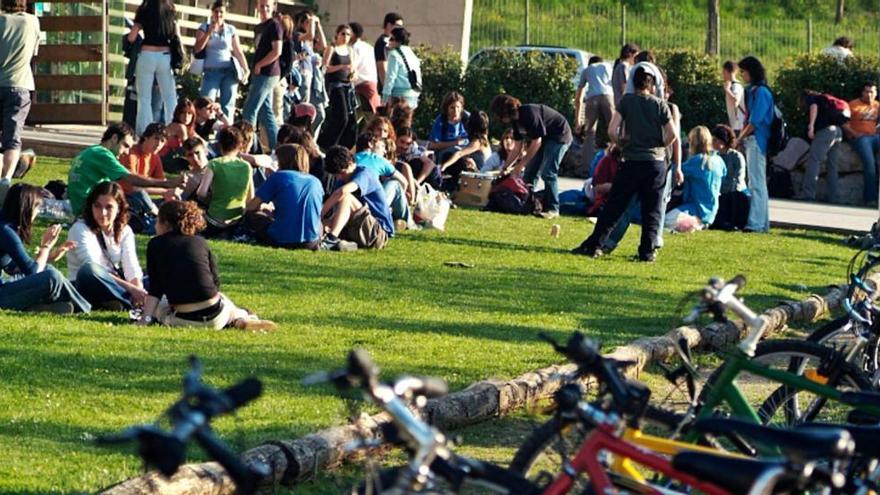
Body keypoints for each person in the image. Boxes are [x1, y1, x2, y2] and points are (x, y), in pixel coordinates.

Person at [571, 67, 679, 262]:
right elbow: (672, 134)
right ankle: (647, 252)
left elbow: (612, 129)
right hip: (656, 164)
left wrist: (623, 143)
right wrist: (659, 146)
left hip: (631, 161)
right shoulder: (660, 105)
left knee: (615, 206)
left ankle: (596, 245)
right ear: (652, 84)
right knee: (652, 210)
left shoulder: (627, 102)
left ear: (633, 83)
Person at [138, 199, 276, 331]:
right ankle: (241, 318)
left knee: (160, 306)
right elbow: (215, 283)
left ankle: (238, 319)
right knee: (224, 301)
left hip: (184, 319)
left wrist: (146, 318)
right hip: (217, 316)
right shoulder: (200, 242)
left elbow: (155, 289)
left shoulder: (155, 244)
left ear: (166, 223)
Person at [0, 184, 89, 313]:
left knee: (48, 270)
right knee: (51, 276)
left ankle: (41, 307)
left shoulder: (5, 227)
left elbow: (13, 268)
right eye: (37, 208)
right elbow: (33, 272)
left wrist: (50, 256)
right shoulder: (6, 231)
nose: (37, 213)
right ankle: (84, 309)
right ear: (28, 208)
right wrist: (45, 247)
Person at [67, 122, 184, 217]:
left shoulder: (92, 151)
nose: (126, 152)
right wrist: (168, 184)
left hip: (87, 208)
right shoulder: (102, 154)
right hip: (90, 212)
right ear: (114, 138)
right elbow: (131, 180)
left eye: (162, 141)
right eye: (125, 145)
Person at [490, 94, 573, 219]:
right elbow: (517, 147)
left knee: (548, 172)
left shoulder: (529, 113)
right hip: (545, 139)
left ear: (505, 112)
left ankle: (553, 209)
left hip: (559, 136)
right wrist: (505, 167)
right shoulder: (515, 123)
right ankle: (526, 203)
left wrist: (519, 167)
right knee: (530, 172)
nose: (499, 119)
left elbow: (536, 142)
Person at [66, 181, 146, 311]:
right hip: (87, 283)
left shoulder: (125, 230)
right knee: (90, 270)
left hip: (117, 283)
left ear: (119, 208)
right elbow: (95, 266)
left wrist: (138, 287)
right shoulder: (80, 228)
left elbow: (131, 264)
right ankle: (126, 301)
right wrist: (131, 289)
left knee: (152, 276)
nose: (102, 213)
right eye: (97, 206)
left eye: (109, 207)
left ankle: (121, 301)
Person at [244, 143, 330, 249]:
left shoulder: (278, 177)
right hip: (311, 241)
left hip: (281, 239)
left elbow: (251, 207)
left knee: (254, 216)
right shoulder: (316, 181)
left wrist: (262, 208)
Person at [322, 145, 393, 250]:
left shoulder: (365, 174)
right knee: (325, 223)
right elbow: (337, 211)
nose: (340, 177)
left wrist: (320, 214)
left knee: (346, 197)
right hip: (355, 227)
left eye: (342, 173)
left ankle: (332, 238)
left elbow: (341, 192)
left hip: (378, 232)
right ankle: (346, 244)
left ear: (351, 164)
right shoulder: (341, 181)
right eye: (336, 175)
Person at [0, 0, 40, 182]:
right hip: (20, 84)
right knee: (12, 140)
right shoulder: (32, 22)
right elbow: (34, 52)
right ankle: (6, 179)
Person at [127, 0, 179, 136]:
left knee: (144, 98)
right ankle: (173, 130)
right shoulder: (171, 8)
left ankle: (145, 132)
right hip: (165, 56)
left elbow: (132, 37)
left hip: (147, 54)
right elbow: (175, 34)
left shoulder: (144, 8)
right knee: (169, 96)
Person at [194, 0, 249, 121]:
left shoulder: (231, 29)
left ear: (225, 14)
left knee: (228, 105)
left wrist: (245, 68)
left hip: (228, 70)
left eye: (221, 12)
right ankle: (204, 132)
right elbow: (198, 48)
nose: (218, 15)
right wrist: (209, 33)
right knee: (206, 104)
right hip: (211, 71)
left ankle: (227, 135)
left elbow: (237, 51)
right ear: (212, 12)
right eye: (216, 12)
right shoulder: (204, 27)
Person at [664, 126, 726, 231]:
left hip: (695, 208)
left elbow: (676, 170)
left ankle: (691, 224)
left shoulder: (698, 161)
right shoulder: (719, 161)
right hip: (711, 211)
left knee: (665, 220)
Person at [737, 56, 773, 233]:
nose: (742, 75)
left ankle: (756, 224)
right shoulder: (756, 91)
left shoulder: (760, 92)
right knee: (758, 183)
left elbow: (755, 121)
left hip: (757, 140)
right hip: (756, 140)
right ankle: (762, 223)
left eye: (743, 72)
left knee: (756, 183)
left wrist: (739, 138)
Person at [241, 0, 282, 152]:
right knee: (265, 113)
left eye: (267, 6)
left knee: (249, 110)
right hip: (260, 73)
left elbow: (277, 51)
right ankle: (277, 149)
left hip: (268, 73)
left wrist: (260, 64)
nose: (264, 9)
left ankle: (248, 148)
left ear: (272, 8)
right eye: (262, 5)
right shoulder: (259, 27)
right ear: (257, 6)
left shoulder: (275, 25)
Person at [197, 126, 253, 235]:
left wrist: (212, 199)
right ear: (240, 145)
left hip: (215, 219)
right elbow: (250, 198)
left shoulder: (214, 164)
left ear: (219, 144)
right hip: (237, 219)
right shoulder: (247, 166)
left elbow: (201, 193)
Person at [797, 90, 848, 202]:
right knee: (832, 165)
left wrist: (811, 126)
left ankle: (808, 194)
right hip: (838, 131)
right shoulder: (825, 99)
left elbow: (813, 107)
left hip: (825, 131)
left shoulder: (812, 98)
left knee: (814, 161)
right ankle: (833, 196)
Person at [354, 132, 413, 226]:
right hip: (373, 205)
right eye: (382, 146)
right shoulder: (376, 158)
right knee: (394, 183)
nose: (384, 151)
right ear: (370, 144)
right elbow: (404, 182)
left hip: (354, 204)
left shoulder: (352, 158)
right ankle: (408, 222)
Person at [317, 24, 358, 150]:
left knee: (352, 119)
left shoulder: (350, 50)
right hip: (336, 86)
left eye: (348, 34)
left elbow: (353, 68)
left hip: (348, 86)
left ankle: (345, 146)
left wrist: (353, 73)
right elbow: (324, 68)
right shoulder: (332, 48)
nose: (345, 37)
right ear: (337, 34)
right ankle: (328, 144)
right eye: (343, 34)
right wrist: (340, 67)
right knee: (342, 117)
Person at [118, 122, 168, 224]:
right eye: (156, 138)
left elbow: (163, 184)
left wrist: (170, 192)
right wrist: (164, 191)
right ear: (146, 137)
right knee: (140, 194)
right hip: (124, 197)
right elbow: (134, 187)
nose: (159, 144)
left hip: (142, 199)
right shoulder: (130, 153)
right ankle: (157, 219)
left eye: (162, 141)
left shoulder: (155, 156)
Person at [841, 81, 880, 204]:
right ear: (862, 92)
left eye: (871, 92)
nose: (869, 95)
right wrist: (855, 134)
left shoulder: (878, 106)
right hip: (859, 138)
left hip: (875, 137)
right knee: (870, 165)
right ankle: (871, 199)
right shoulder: (852, 105)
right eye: (866, 91)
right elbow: (843, 123)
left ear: (876, 93)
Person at [575, 55, 615, 174]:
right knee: (614, 130)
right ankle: (618, 160)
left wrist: (578, 120)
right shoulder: (608, 66)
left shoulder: (587, 70)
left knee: (590, 133)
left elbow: (579, 97)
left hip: (592, 98)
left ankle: (585, 167)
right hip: (608, 97)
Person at [711, 124, 749, 230]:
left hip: (734, 192)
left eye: (715, 140)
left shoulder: (736, 157)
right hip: (720, 190)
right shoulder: (714, 156)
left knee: (730, 197)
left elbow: (737, 180)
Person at [439, 110, 492, 178]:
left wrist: (444, 166)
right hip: (483, 171)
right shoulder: (484, 137)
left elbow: (459, 154)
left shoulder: (477, 142)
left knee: (451, 156)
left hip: (480, 174)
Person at [382, 27, 420, 110]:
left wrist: (385, 97)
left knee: (396, 122)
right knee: (406, 121)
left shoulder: (394, 54)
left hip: (399, 96)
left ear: (398, 41)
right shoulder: (412, 54)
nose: (389, 42)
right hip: (413, 95)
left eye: (391, 39)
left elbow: (390, 77)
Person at [428, 91, 469, 164]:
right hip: (445, 155)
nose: (455, 111)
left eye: (458, 107)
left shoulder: (467, 119)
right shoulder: (441, 121)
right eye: (452, 108)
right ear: (446, 109)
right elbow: (432, 145)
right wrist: (455, 143)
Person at [349, 22, 379, 114]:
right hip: (372, 85)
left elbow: (352, 67)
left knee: (367, 118)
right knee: (369, 117)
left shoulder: (353, 48)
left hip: (360, 87)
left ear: (353, 34)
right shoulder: (369, 47)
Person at [178, 136, 209, 202]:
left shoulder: (217, 169)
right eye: (190, 155)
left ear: (206, 152)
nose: (195, 158)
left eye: (197, 153)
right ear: (186, 157)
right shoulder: (187, 178)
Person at [375, 11, 403, 87]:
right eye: (398, 26)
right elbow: (382, 68)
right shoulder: (383, 43)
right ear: (388, 25)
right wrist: (387, 89)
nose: (400, 29)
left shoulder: (393, 41)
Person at [611, 43, 639, 107]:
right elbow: (624, 87)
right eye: (636, 56)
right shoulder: (623, 67)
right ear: (631, 55)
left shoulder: (620, 66)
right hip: (624, 103)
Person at [721, 60, 745, 135]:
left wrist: (727, 90)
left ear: (726, 71)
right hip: (736, 124)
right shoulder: (734, 85)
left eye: (723, 72)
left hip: (738, 125)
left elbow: (735, 101)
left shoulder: (735, 86)